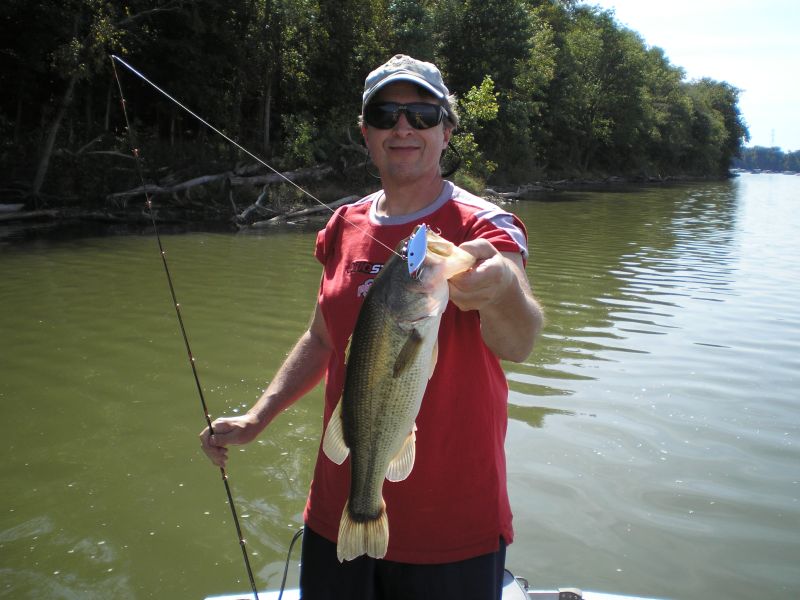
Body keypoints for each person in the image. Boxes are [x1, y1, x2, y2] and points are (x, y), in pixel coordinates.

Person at [200, 54, 543, 600]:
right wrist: (257, 417)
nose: (403, 127)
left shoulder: (486, 226)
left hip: (453, 526)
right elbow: (321, 338)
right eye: (385, 114)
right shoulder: (343, 223)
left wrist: (501, 288)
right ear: (366, 132)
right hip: (337, 508)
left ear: (447, 130)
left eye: (422, 115)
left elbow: (519, 343)